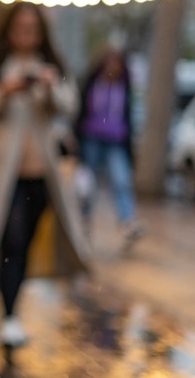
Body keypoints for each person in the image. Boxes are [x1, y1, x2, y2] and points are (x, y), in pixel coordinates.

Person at [0, 1, 90, 348]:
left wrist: (48, 86)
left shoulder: (52, 63)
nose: (26, 34)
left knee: (27, 242)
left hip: (43, 177)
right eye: (20, 27)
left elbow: (71, 105)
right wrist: (5, 90)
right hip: (2, 177)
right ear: (8, 28)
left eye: (32, 28)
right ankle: (9, 316)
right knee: (12, 241)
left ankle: (11, 307)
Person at [75, 49, 144, 249]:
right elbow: (79, 112)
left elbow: (128, 117)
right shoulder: (91, 84)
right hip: (91, 139)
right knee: (88, 185)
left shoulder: (124, 87)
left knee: (121, 179)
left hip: (116, 141)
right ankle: (83, 223)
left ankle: (127, 221)